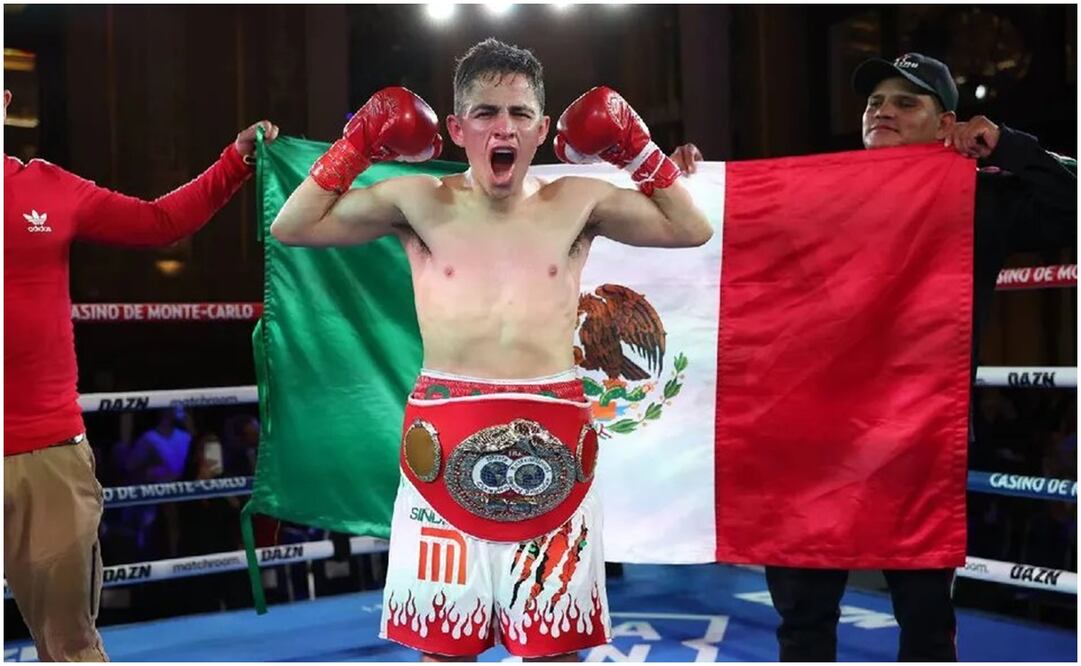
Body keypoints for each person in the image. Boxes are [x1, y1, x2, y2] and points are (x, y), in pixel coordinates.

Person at [271, 38, 711, 662]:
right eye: (485, 113)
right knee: (443, 649)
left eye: (519, 113)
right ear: (457, 129)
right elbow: (293, 226)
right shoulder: (416, 200)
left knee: (555, 652)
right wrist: (359, 142)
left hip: (557, 442)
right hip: (442, 445)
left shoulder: (578, 201)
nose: (503, 127)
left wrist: (641, 151)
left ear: (542, 130)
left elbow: (690, 228)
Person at [763, 52, 1076, 662]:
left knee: (927, 626)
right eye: (875, 101)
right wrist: (681, 180)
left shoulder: (980, 198)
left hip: (919, 442)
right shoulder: (815, 194)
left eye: (906, 102)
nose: (883, 111)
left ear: (946, 124)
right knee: (802, 625)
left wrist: (1009, 146)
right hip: (813, 443)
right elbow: (721, 232)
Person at [3, 87, 278, 661]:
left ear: (4, 102)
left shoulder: (46, 186)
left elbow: (159, 222)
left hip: (44, 453)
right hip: (41, 451)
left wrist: (234, 163)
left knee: (70, 646)